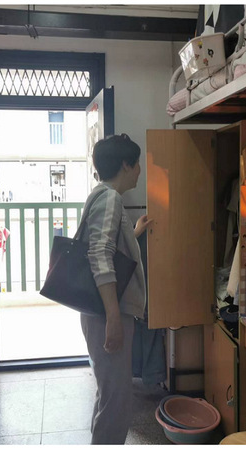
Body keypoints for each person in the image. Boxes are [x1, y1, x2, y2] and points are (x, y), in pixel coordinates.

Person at [81, 133, 153, 444]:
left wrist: (132, 233)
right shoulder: (110, 198)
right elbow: (99, 253)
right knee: (117, 400)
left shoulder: (102, 194)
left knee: (109, 392)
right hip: (108, 310)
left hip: (101, 309)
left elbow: (106, 245)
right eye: (137, 164)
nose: (140, 170)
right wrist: (113, 317)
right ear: (125, 165)